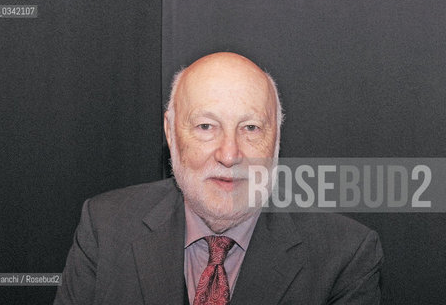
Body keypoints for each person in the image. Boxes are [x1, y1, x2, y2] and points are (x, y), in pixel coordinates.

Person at [54, 52, 383, 304]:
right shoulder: (105, 225)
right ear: (170, 132)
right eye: (206, 127)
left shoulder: (345, 254)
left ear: (277, 139)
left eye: (251, 128)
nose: (229, 154)